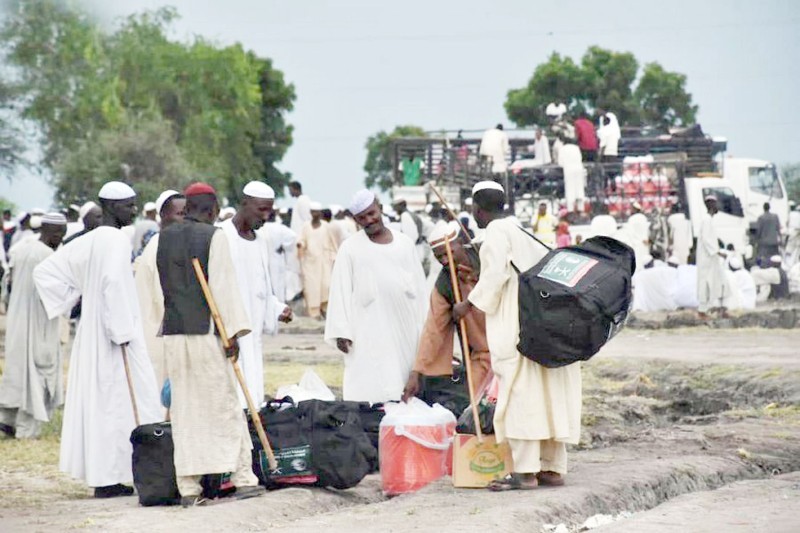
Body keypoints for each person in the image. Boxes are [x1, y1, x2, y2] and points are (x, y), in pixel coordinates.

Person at [33, 181, 162, 498]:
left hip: (94, 333)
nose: (133, 210)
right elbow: (112, 286)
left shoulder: (89, 239)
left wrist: (76, 300)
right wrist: (120, 331)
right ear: (110, 207)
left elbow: (47, 272)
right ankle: (111, 477)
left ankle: (109, 476)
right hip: (114, 338)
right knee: (120, 404)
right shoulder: (115, 240)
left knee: (105, 404)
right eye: (129, 205)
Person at [453, 181, 581, 491]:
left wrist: (466, 305)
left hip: (516, 328)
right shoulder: (522, 231)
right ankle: (552, 469)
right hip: (542, 329)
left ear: (477, 210)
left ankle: (524, 472)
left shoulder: (497, 232)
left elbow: (495, 276)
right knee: (547, 397)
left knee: (520, 397)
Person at [157, 182, 262, 507]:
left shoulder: (163, 236)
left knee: (185, 409)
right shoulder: (214, 236)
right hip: (207, 333)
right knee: (225, 405)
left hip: (174, 333)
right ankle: (242, 478)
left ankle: (189, 488)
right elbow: (224, 289)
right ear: (213, 209)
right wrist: (233, 336)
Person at [325, 190, 428, 403]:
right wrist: (341, 331)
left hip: (405, 327)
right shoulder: (350, 248)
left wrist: (427, 330)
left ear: (379, 208)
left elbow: (420, 289)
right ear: (356, 220)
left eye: (372, 213)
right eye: (362, 217)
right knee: (370, 384)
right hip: (367, 328)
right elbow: (340, 290)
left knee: (406, 382)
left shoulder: (405, 243)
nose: (369, 220)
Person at [402, 222, 492, 413]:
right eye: (439, 256)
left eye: (448, 253)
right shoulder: (445, 283)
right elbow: (433, 330)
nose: (444, 260)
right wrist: (416, 372)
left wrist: (469, 300)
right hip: (482, 356)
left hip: (511, 352)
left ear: (460, 243)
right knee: (474, 410)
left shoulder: (487, 258)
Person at [221, 181, 293, 406]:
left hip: (253, 331)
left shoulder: (261, 240)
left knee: (252, 392)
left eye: (269, 210)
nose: (266, 215)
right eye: (261, 209)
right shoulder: (221, 235)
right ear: (244, 203)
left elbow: (261, 288)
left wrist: (277, 308)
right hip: (228, 331)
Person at [0, 214, 67, 439]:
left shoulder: (21, 249)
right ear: (45, 229)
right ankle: (25, 430)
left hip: (17, 318)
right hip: (39, 322)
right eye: (56, 231)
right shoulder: (49, 256)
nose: (60, 236)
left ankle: (7, 420)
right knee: (35, 373)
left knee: (18, 370)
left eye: (63, 232)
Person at [133, 190, 185, 388]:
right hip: (158, 336)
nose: (186, 219)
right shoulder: (161, 246)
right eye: (180, 214)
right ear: (163, 216)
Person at [298, 202, 338, 319]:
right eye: (313, 211)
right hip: (310, 263)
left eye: (317, 212)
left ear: (320, 213)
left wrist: (335, 256)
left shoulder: (326, 226)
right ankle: (314, 313)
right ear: (311, 213)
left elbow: (332, 243)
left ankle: (325, 308)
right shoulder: (305, 226)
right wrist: (300, 245)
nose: (315, 214)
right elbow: (301, 239)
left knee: (326, 285)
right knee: (312, 287)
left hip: (324, 261)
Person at [696, 196, 727, 319]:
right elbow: (707, 240)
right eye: (716, 204)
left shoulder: (708, 220)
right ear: (711, 206)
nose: (718, 207)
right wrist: (718, 252)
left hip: (711, 257)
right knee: (705, 283)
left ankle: (709, 309)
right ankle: (702, 311)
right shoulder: (706, 220)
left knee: (713, 283)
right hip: (707, 258)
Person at [259, 210, 298, 302]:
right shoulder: (281, 228)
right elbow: (293, 237)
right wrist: (283, 246)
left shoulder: (260, 228)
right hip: (277, 260)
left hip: (263, 259)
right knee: (278, 286)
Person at [391, 197, 426, 265]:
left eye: (395, 206)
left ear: (402, 205)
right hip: (417, 251)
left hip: (414, 253)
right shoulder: (410, 214)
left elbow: (411, 238)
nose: (394, 209)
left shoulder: (405, 216)